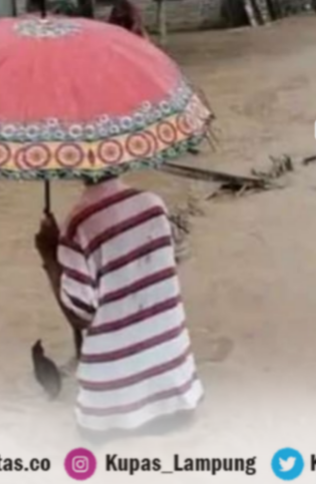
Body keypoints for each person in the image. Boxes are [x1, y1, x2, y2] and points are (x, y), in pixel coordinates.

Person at [34, 175, 203, 437]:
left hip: (113, 411)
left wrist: (50, 257)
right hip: (177, 396)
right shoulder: (154, 205)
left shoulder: (79, 224)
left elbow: (79, 315)